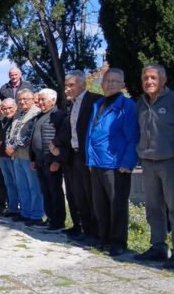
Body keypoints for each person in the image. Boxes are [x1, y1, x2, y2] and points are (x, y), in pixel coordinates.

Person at [133, 64, 174, 269]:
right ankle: (158, 247)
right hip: (148, 164)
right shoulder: (140, 103)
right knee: (153, 208)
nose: (148, 82)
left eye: (153, 78)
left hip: (172, 163)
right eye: (145, 78)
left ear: (164, 80)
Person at [86, 68, 138, 257]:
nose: (109, 84)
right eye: (106, 80)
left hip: (116, 164)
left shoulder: (127, 105)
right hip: (97, 162)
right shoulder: (98, 103)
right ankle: (104, 238)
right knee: (100, 205)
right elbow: (91, 134)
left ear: (123, 85)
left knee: (117, 205)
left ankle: (118, 242)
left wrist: (128, 162)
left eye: (114, 81)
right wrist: (89, 159)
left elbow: (133, 136)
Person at [61, 70, 102, 242]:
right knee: (79, 194)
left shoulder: (95, 100)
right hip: (74, 155)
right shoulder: (72, 104)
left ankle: (96, 232)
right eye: (66, 86)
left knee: (91, 194)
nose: (67, 90)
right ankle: (84, 229)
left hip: (88, 155)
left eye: (71, 86)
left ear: (83, 84)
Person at [30, 89, 67, 231]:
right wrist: (33, 158)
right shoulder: (39, 116)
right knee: (45, 191)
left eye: (42, 99)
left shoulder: (58, 116)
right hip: (40, 160)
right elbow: (34, 138)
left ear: (53, 100)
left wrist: (57, 161)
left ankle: (58, 221)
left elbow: (61, 140)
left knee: (55, 192)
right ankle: (50, 217)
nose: (39, 102)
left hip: (51, 161)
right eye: (38, 100)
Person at [6, 89, 43, 225]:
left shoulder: (36, 113)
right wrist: (8, 146)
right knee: (22, 186)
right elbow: (11, 131)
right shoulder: (18, 114)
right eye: (19, 99)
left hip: (28, 156)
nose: (22, 102)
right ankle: (25, 212)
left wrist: (14, 147)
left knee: (34, 187)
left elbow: (29, 134)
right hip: (16, 157)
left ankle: (36, 215)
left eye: (25, 99)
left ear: (33, 99)